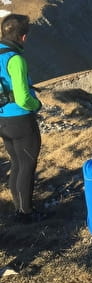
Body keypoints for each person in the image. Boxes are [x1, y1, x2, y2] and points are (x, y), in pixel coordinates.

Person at [0, 13, 49, 223]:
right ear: (23, 37)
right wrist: (37, 105)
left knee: (17, 163)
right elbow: (22, 97)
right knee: (27, 165)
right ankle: (26, 214)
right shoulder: (16, 59)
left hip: (2, 120)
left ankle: (20, 208)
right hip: (20, 120)